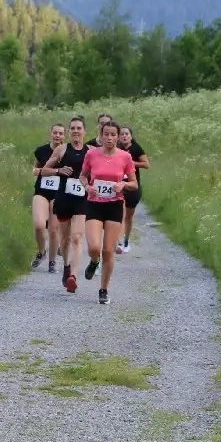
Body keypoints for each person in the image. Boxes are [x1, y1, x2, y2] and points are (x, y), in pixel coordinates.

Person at [79, 121, 136, 305]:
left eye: (113, 134)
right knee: (94, 248)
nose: (109, 138)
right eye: (106, 134)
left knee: (108, 250)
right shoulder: (91, 154)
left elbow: (134, 184)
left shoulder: (125, 157)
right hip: (94, 204)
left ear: (118, 137)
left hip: (114, 205)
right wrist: (87, 187)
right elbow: (82, 176)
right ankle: (94, 261)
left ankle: (103, 290)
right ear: (101, 136)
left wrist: (123, 184)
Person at [39, 116, 91, 293]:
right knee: (66, 238)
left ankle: (73, 276)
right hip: (64, 199)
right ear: (69, 132)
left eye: (79, 128)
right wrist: (58, 170)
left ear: (85, 131)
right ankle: (67, 266)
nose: (76, 131)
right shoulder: (62, 149)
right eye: (73, 128)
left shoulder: (91, 151)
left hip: (82, 199)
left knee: (77, 237)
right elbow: (44, 171)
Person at [31, 123, 66, 272]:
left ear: (64, 136)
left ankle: (52, 262)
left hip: (59, 193)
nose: (57, 135)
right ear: (50, 133)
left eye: (60, 133)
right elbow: (36, 168)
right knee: (39, 225)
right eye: (55, 132)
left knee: (53, 229)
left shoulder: (67, 152)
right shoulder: (42, 150)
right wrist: (38, 171)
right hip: (42, 191)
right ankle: (41, 252)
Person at [117, 126, 150, 254]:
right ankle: (119, 242)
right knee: (120, 213)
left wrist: (130, 163)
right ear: (118, 136)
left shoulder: (136, 148)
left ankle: (126, 240)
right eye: (122, 134)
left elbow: (146, 164)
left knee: (129, 216)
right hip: (119, 186)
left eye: (127, 134)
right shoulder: (116, 148)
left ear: (131, 136)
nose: (124, 136)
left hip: (132, 186)